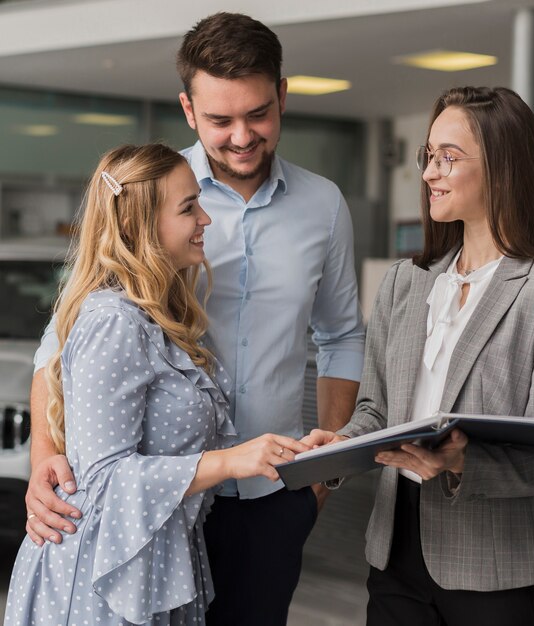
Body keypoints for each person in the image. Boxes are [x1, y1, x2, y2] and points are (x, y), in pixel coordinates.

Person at [24, 12, 365, 626]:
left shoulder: (325, 206)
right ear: (187, 107)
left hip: (273, 497)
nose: (241, 135)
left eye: (257, 113)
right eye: (219, 119)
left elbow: (340, 337)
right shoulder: (147, 192)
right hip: (155, 508)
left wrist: (322, 478)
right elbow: (61, 342)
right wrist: (44, 458)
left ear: (283, 96)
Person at [303, 86, 534, 626]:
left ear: (503, 168)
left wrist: (461, 462)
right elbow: (377, 410)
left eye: (449, 157)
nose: (429, 173)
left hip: (494, 570)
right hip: (393, 558)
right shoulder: (405, 283)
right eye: (428, 156)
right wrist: (337, 444)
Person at [5, 143, 310, 625]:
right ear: (136, 227)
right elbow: (104, 482)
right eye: (189, 207)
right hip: (102, 577)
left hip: (151, 563)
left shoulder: (158, 318)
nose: (205, 219)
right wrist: (230, 461)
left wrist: (292, 453)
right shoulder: (113, 321)